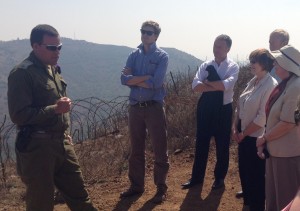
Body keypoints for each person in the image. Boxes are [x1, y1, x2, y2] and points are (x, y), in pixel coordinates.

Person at [7, 24, 97, 211]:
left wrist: (65, 130)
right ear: (35, 46)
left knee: (80, 197)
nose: (57, 52)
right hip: (37, 148)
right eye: (51, 48)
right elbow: (19, 115)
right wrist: (54, 110)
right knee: (41, 203)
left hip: (61, 143)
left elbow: (61, 108)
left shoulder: (52, 69)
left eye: (59, 47)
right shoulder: (22, 73)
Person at [120, 20, 169, 204]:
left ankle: (161, 188)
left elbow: (156, 84)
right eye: (143, 31)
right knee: (136, 149)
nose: (145, 35)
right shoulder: (133, 54)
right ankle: (136, 186)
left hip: (154, 107)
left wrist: (134, 80)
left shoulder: (162, 56)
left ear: (156, 35)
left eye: (149, 32)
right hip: (135, 108)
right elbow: (123, 79)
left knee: (159, 148)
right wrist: (145, 78)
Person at [182, 34, 239, 190]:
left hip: (223, 109)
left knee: (222, 145)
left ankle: (219, 178)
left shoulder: (233, 67)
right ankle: (197, 178)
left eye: (220, 46)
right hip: (205, 108)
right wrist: (215, 85)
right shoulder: (205, 64)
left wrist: (206, 83)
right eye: (215, 46)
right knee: (201, 143)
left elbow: (226, 86)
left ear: (228, 48)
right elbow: (195, 86)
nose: (216, 49)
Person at [232, 49, 277, 210]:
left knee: (257, 175)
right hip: (244, 135)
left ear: (264, 64)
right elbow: (240, 106)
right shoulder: (253, 81)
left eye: (254, 61)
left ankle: (257, 205)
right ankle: (248, 203)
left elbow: (261, 118)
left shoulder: (270, 85)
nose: (250, 64)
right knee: (245, 172)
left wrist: (243, 133)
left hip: (256, 137)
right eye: (250, 60)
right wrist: (235, 127)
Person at [256, 45, 300, 211]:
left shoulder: (296, 87)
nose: (274, 65)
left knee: (285, 200)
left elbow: (288, 122)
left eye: (277, 62)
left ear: (287, 65)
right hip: (278, 152)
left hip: (288, 155)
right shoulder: (286, 84)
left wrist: (264, 138)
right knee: (274, 199)